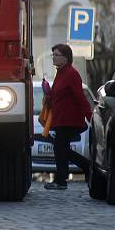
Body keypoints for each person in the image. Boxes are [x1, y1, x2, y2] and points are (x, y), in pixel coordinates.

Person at [43, 43, 92, 190]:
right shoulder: (60, 72)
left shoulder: (71, 74)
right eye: (54, 55)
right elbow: (57, 94)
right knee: (61, 149)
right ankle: (64, 178)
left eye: (57, 55)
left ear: (66, 58)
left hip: (69, 119)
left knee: (60, 149)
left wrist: (89, 116)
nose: (54, 58)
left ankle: (65, 178)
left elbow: (79, 97)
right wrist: (48, 93)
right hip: (60, 118)